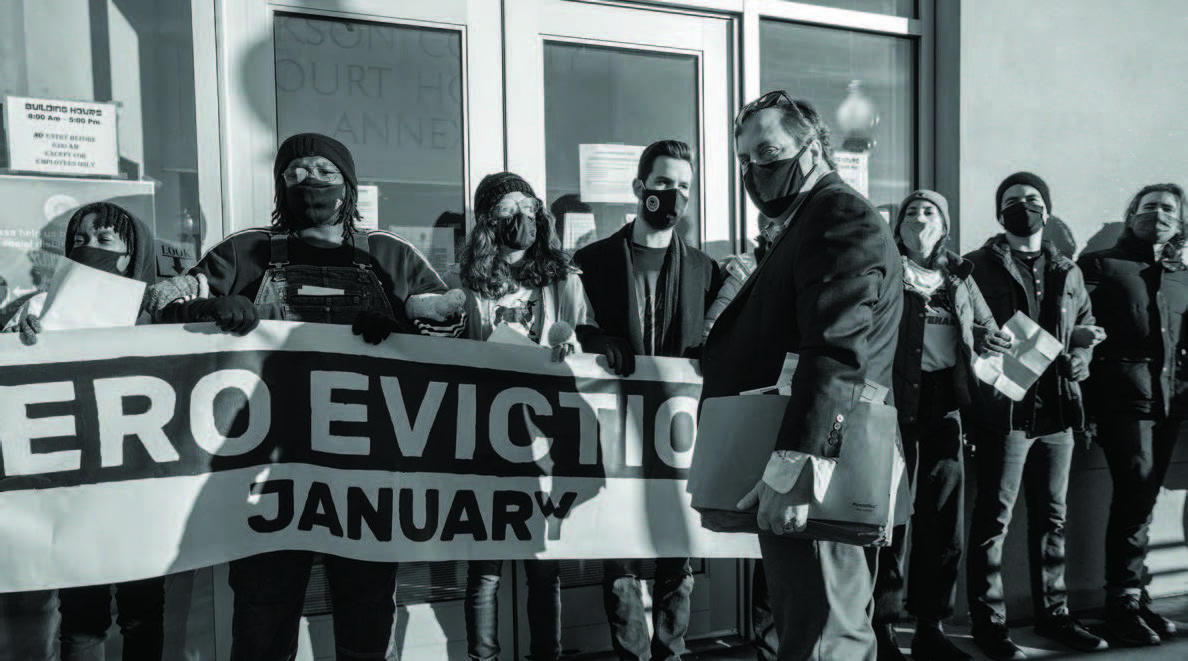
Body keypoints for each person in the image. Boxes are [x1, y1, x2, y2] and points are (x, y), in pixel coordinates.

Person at [159, 132, 460, 660]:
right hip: (270, 476)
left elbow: (448, 333)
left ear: (348, 183)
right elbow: (168, 306)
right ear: (280, 185)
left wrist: (407, 321)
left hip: (365, 475)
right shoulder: (246, 250)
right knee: (261, 619)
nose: (309, 182)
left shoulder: (389, 252)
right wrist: (210, 310)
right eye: (295, 172)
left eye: (324, 171)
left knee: (366, 617)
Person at [701, 91, 902, 661]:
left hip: (819, 476)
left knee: (824, 637)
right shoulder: (803, 223)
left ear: (811, 150)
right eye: (743, 160)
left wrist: (800, 470)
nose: (753, 172)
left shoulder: (837, 216)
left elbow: (837, 355)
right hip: (800, 465)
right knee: (809, 630)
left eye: (767, 153)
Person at [573, 139, 722, 661]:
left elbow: (720, 340)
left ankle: (671, 652)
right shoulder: (589, 262)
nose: (673, 194)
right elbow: (569, 331)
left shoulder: (706, 269)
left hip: (680, 433)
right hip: (614, 431)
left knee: (677, 554)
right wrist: (596, 342)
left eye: (684, 186)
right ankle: (631, 655)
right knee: (620, 559)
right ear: (639, 188)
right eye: (663, 183)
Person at [4, 201, 167, 661]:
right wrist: (19, 337)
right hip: (74, 487)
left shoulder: (158, 310)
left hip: (144, 489)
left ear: (133, 251)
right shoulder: (40, 308)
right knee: (81, 614)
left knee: (143, 612)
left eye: (104, 240)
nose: (89, 248)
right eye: (79, 241)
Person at [452, 171, 596, 661]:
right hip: (487, 434)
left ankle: (546, 656)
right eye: (509, 209)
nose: (523, 218)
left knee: (542, 566)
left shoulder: (563, 278)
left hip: (544, 438)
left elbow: (585, 340)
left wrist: (575, 345)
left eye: (529, 207)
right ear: (488, 221)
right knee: (485, 568)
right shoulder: (471, 284)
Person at [963, 172, 1105, 658]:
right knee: (992, 523)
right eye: (1012, 201)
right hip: (1005, 411)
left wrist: (1084, 350)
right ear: (999, 212)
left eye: (1032, 199)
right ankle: (990, 625)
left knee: (1053, 519)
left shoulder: (1069, 270)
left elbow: (1082, 323)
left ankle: (1056, 616)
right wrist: (981, 340)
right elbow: (964, 332)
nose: (1022, 206)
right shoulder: (975, 266)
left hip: (1059, 412)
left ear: (1046, 209)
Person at [873, 190, 1012, 661]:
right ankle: (883, 631)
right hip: (892, 405)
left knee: (942, 523)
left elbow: (989, 331)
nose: (918, 217)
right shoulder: (886, 268)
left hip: (945, 408)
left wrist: (992, 338)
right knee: (890, 522)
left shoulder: (960, 275)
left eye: (928, 211)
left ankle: (930, 627)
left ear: (944, 226)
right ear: (898, 228)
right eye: (910, 212)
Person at [1078, 183, 1188, 647]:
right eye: (1149, 207)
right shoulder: (1101, 264)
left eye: (1168, 209)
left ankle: (1136, 595)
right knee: (1133, 497)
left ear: (1180, 222)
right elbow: (1076, 327)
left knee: (1144, 500)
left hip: (1171, 401)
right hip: (1124, 402)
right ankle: (1120, 604)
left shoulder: (1182, 274)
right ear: (1132, 214)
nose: (1158, 215)